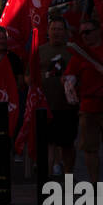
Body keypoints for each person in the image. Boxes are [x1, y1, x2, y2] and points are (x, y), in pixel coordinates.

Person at [64, 18, 103, 183]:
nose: (84, 36)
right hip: (88, 108)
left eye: (88, 32)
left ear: (98, 31)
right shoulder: (79, 55)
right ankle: (93, 182)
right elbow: (69, 77)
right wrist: (69, 87)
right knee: (90, 148)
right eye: (82, 33)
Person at [36, 16, 79, 178]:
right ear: (48, 31)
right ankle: (46, 180)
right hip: (45, 106)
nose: (57, 32)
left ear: (66, 32)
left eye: (60, 29)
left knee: (67, 144)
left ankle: (68, 175)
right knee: (48, 144)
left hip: (67, 106)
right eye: (54, 29)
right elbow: (28, 77)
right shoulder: (39, 51)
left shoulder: (74, 51)